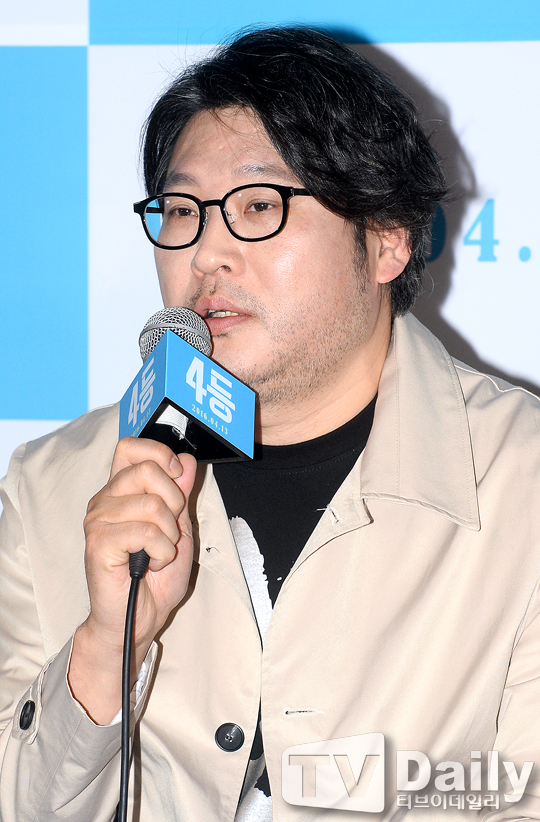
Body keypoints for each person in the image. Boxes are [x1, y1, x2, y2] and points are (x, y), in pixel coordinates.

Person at [1, 25, 540, 822]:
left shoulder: (523, 481)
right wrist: (104, 648)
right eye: (181, 211)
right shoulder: (48, 487)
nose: (206, 254)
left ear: (387, 238)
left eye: (258, 206)